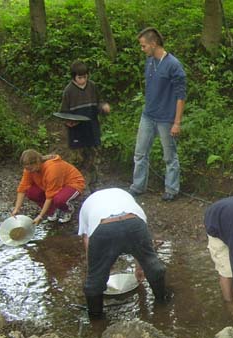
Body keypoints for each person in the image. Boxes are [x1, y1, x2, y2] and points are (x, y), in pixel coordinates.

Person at [78, 188, 167, 319]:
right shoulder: (126, 197)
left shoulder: (87, 205)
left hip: (104, 227)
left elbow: (87, 239)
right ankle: (162, 304)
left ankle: (96, 321)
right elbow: (143, 245)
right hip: (134, 223)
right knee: (153, 265)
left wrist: (95, 267)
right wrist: (139, 267)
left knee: (94, 280)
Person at [129, 27, 187, 202]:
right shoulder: (150, 61)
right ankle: (138, 187)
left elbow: (181, 95)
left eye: (144, 45)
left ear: (154, 44)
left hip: (166, 119)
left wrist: (177, 122)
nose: (142, 49)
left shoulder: (173, 65)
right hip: (148, 115)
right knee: (140, 153)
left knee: (169, 156)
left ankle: (171, 189)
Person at [60, 60, 110, 191]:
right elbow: (63, 113)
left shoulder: (92, 86)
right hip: (76, 132)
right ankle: (75, 187)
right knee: (78, 160)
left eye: (85, 77)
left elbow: (99, 103)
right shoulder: (68, 91)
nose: (83, 80)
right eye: (80, 77)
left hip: (92, 129)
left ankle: (95, 186)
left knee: (94, 159)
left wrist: (103, 108)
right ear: (74, 77)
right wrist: (68, 122)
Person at [12, 150, 85, 225]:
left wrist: (40, 216)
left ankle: (67, 209)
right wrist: (16, 209)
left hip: (73, 184)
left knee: (59, 200)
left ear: (37, 163)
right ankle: (52, 210)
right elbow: (22, 188)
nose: (29, 171)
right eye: (26, 169)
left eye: (30, 169)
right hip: (50, 185)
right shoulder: (29, 170)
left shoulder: (52, 169)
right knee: (31, 192)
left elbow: (50, 196)